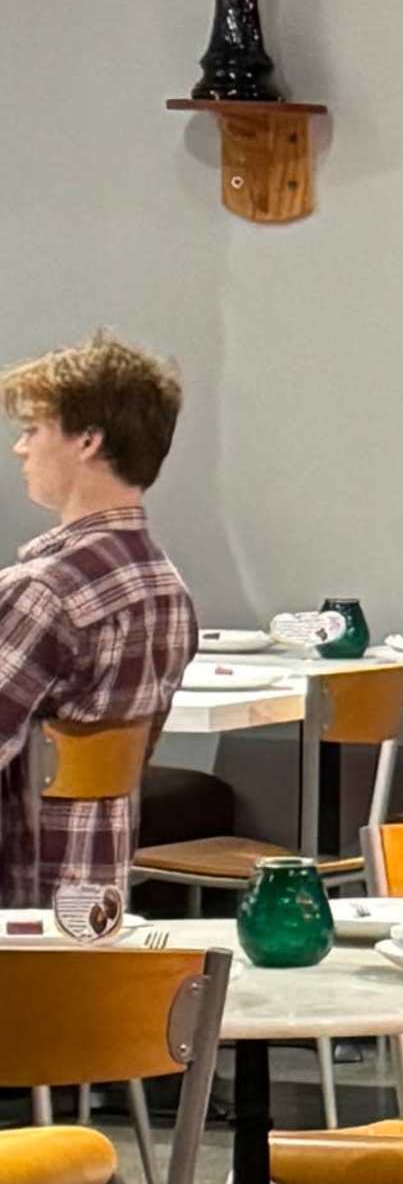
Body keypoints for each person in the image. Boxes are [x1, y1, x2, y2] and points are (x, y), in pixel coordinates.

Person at [0, 334, 201, 908]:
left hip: (23, 907)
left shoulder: (45, 591)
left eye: (34, 430)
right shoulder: (167, 587)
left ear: (87, 441)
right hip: (97, 898)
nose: (20, 449)